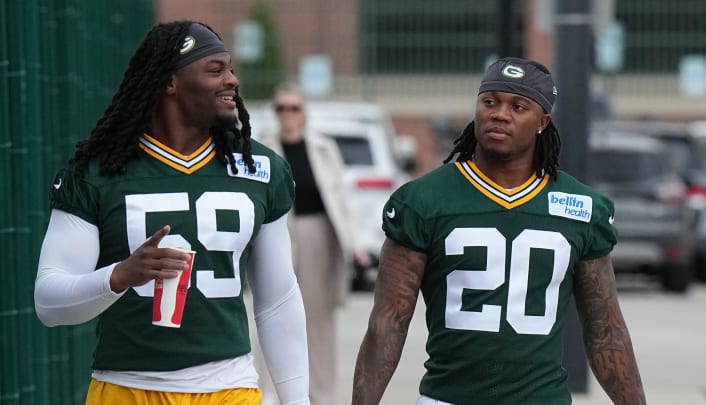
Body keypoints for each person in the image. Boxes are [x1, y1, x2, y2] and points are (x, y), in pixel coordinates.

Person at [34, 21, 310, 405]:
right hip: (126, 387)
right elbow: (48, 303)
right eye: (215, 70)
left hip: (229, 387)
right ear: (169, 82)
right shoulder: (97, 173)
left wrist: (298, 400)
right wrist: (119, 276)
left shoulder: (259, 168)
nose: (231, 80)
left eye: (230, 68)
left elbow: (277, 299)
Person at [352, 57, 646, 405]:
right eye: (490, 102)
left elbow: (605, 331)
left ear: (542, 121)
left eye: (518, 106)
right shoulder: (423, 201)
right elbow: (387, 325)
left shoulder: (581, 208)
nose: (500, 114)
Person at [253, 83, 370, 405]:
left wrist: (355, 243)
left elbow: (341, 199)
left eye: (294, 108)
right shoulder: (263, 150)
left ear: (304, 112)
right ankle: (269, 393)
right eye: (281, 108)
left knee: (318, 319)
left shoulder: (323, 148)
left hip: (319, 233)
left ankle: (319, 394)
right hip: (278, 234)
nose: (287, 115)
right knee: (272, 310)